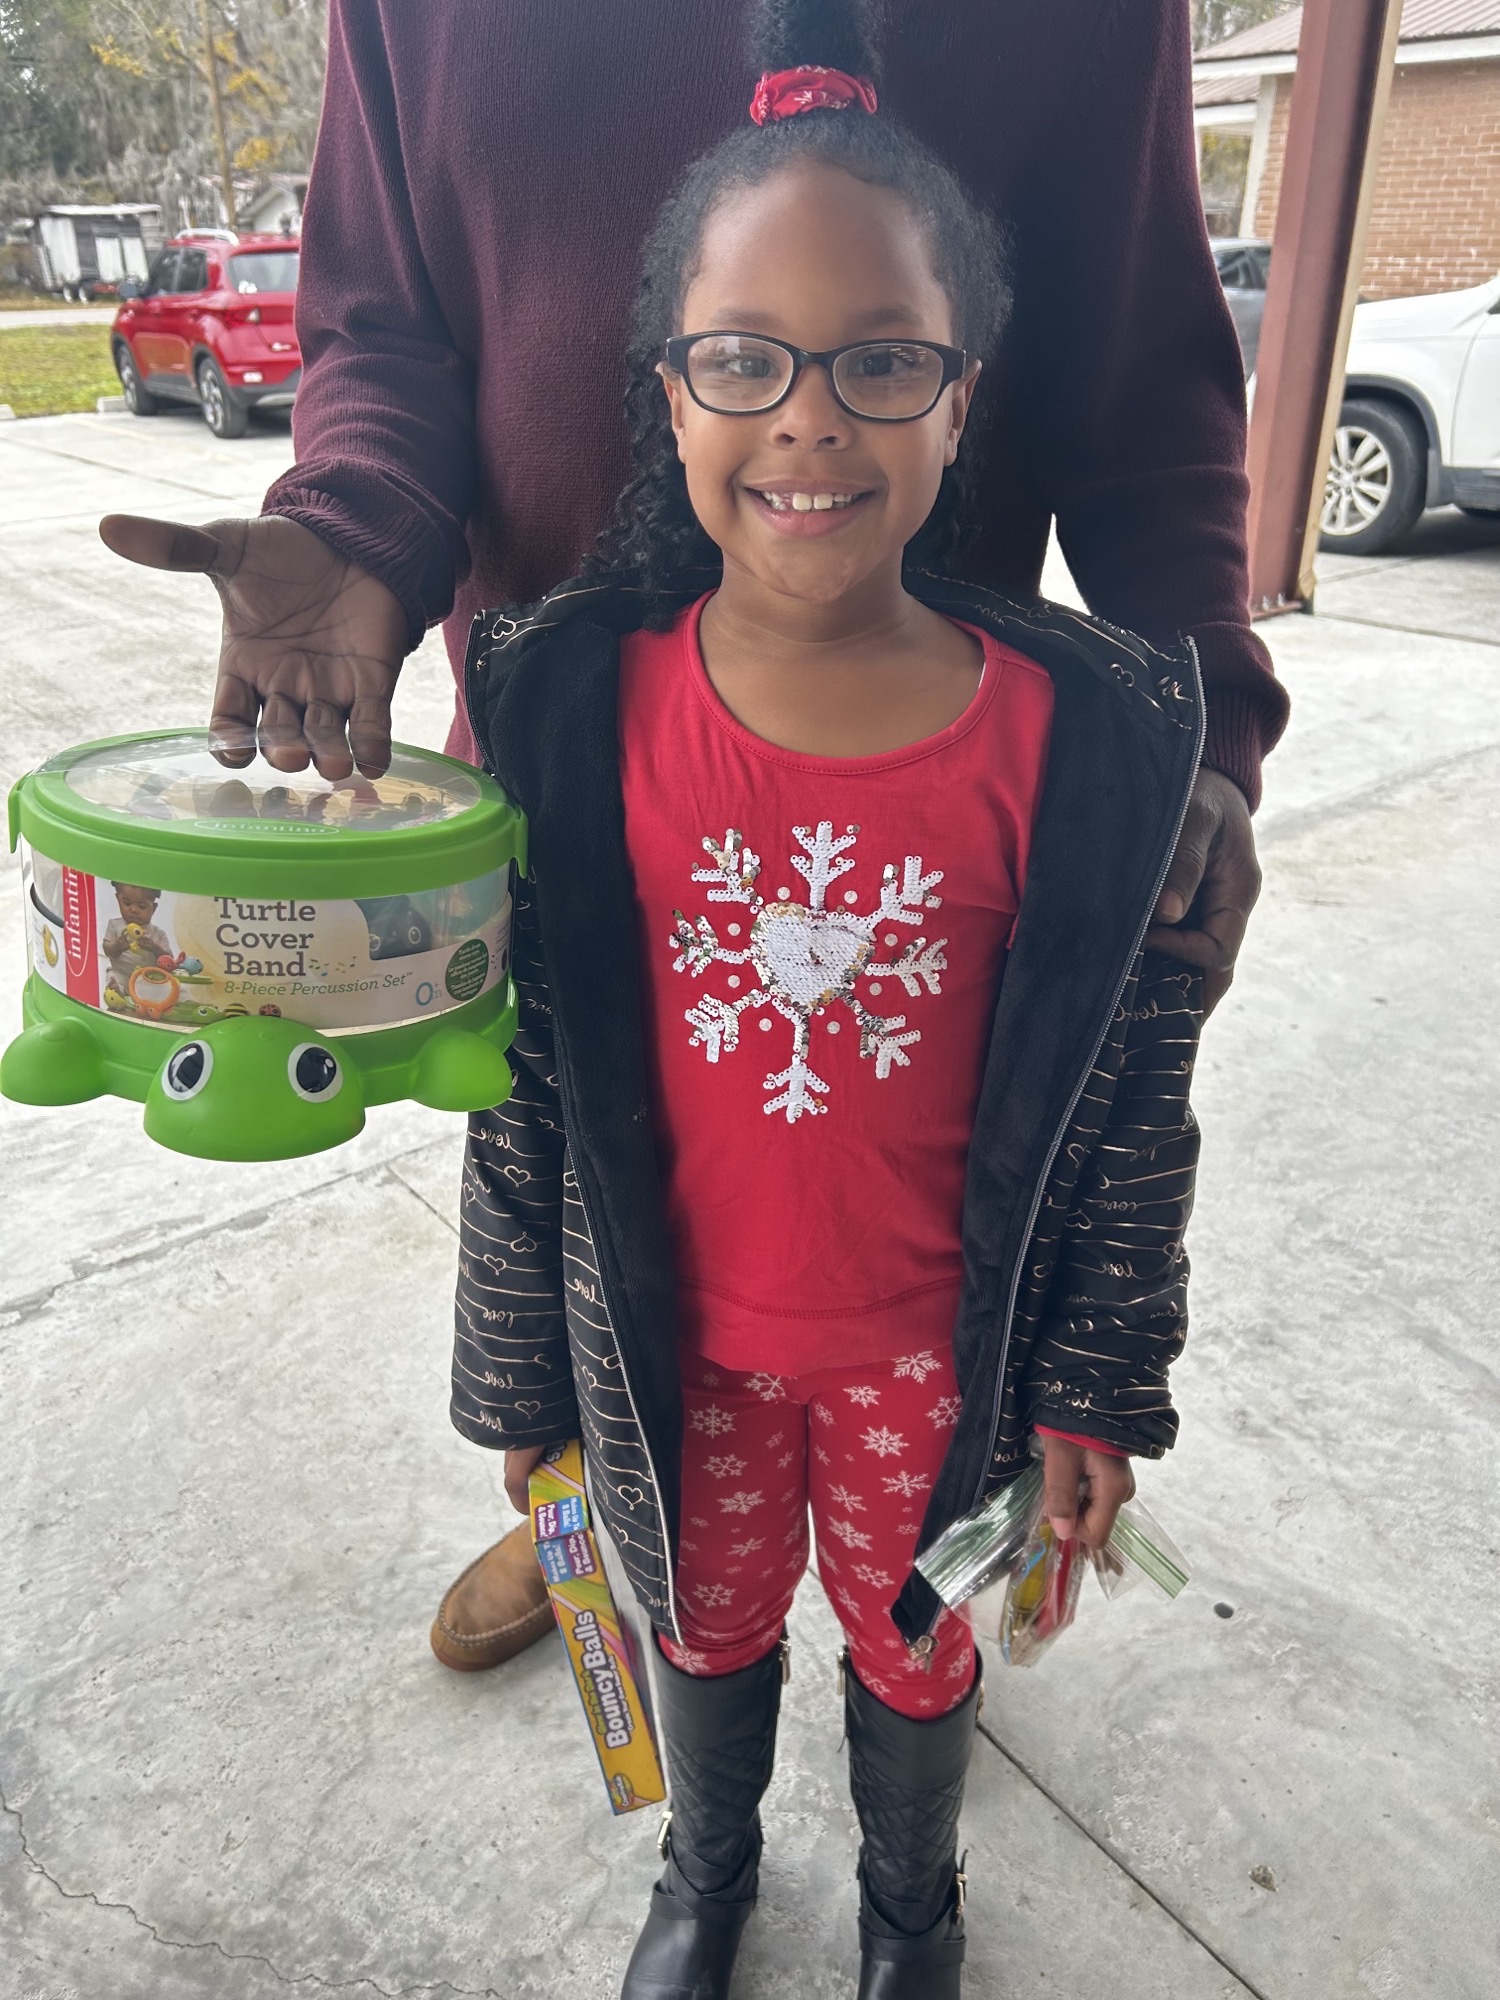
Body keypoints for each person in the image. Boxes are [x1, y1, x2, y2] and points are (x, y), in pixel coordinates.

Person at [98, 0, 1286, 1675]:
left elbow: (1142, 360)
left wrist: (1206, 718)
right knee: (584, 1145)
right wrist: (360, 529)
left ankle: (930, 1524)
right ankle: (607, 1479)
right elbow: (386, 324)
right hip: (576, 773)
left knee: (912, 1148)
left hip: (921, 765)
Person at [452, 3, 1206, 1990]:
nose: (810, 416)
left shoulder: (1074, 735)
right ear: (668, 391)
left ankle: (908, 1900)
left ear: (965, 396)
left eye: (881, 360)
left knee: (919, 1630)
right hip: (678, 1354)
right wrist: (519, 1386)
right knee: (700, 1621)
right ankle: (708, 1874)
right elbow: (522, 1090)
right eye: (745, 360)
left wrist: (1097, 1383)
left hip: (932, 1377)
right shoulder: (571, 709)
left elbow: (1129, 1100)